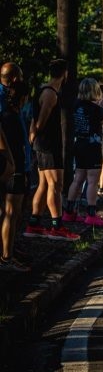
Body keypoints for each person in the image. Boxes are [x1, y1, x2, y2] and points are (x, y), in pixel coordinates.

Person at [24, 59, 80, 241]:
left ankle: (34, 223)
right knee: (56, 185)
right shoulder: (50, 94)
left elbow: (34, 120)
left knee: (44, 184)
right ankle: (57, 226)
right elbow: (40, 121)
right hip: (48, 144)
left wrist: (33, 137)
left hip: (43, 143)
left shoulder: (43, 89)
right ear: (65, 74)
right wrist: (35, 136)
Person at [63, 78, 103, 227]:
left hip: (79, 144)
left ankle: (69, 212)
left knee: (78, 179)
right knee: (92, 181)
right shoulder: (96, 108)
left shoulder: (75, 105)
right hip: (92, 146)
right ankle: (91, 214)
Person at [0, 79, 25, 271]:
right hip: (14, 168)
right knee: (10, 213)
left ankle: (9, 253)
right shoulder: (10, 117)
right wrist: (14, 165)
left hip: (14, 166)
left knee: (11, 213)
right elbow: (12, 146)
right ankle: (6, 257)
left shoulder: (9, 115)